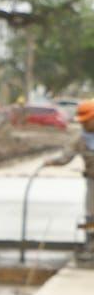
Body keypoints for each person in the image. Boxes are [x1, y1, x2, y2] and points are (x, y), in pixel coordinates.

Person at [44, 98, 94, 259]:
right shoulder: (80, 140)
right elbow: (66, 157)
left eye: (87, 121)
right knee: (90, 215)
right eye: (83, 122)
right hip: (92, 181)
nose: (84, 124)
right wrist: (52, 162)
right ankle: (90, 244)